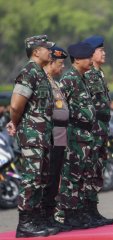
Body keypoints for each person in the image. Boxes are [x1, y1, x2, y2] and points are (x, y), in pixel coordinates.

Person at [6, 35, 60, 237]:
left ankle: (36, 220)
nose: (50, 52)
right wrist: (16, 122)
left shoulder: (39, 73)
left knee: (41, 177)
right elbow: (16, 105)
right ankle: (25, 224)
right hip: (32, 134)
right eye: (47, 48)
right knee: (31, 178)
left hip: (42, 134)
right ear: (36, 51)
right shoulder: (28, 72)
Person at [54, 42, 96, 229]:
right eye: (88, 58)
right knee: (70, 175)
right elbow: (60, 107)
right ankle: (67, 214)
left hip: (84, 134)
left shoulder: (82, 77)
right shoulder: (69, 78)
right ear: (77, 59)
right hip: (73, 134)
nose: (90, 61)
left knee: (80, 175)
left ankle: (77, 212)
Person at [82, 35, 113, 225]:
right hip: (92, 128)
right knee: (88, 169)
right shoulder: (87, 74)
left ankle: (93, 210)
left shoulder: (99, 73)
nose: (104, 53)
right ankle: (85, 211)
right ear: (91, 53)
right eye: (100, 50)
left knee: (98, 169)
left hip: (102, 127)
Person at [42, 46, 72, 232]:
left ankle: (51, 216)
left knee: (55, 178)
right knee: (47, 178)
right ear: (50, 62)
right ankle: (44, 217)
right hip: (50, 136)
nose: (62, 68)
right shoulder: (43, 81)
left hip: (60, 136)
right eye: (60, 64)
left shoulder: (53, 82)